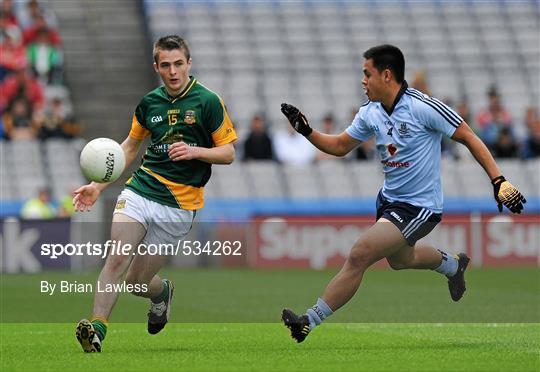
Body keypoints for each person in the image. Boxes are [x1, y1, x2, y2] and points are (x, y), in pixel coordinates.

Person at [279, 45, 526, 343]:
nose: (363, 81)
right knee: (400, 260)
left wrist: (498, 181)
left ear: (386, 75)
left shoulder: (424, 107)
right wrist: (307, 131)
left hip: (420, 208)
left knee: (360, 254)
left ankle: (308, 320)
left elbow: (469, 137)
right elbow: (340, 146)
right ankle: (452, 265)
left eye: (367, 74)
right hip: (388, 201)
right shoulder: (370, 113)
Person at [73, 35, 237, 353]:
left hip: (179, 205)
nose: (173, 71)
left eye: (178, 64)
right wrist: (98, 185)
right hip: (141, 189)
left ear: (189, 63)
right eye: (166, 65)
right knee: (117, 256)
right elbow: (129, 148)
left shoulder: (207, 101)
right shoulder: (149, 104)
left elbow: (228, 153)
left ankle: (161, 294)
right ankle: (96, 329)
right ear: (156, 67)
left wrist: (194, 151)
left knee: (137, 282)